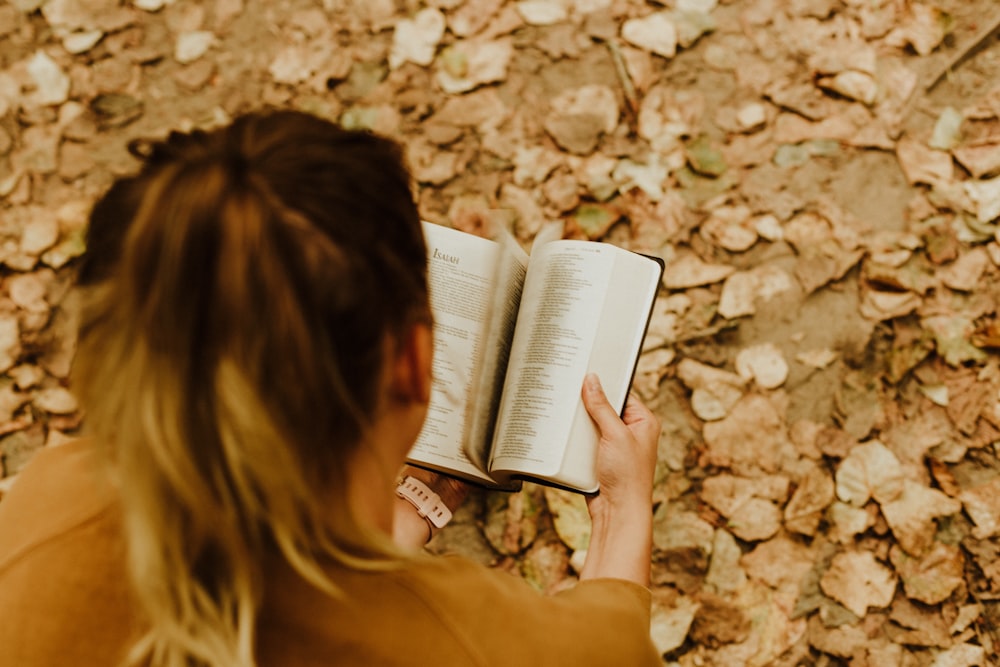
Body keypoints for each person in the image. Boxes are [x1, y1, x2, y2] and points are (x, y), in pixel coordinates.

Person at [0, 110, 662, 666]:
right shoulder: (473, 645)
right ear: (410, 360)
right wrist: (621, 508)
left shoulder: (50, 500)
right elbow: (614, 645)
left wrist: (395, 526)